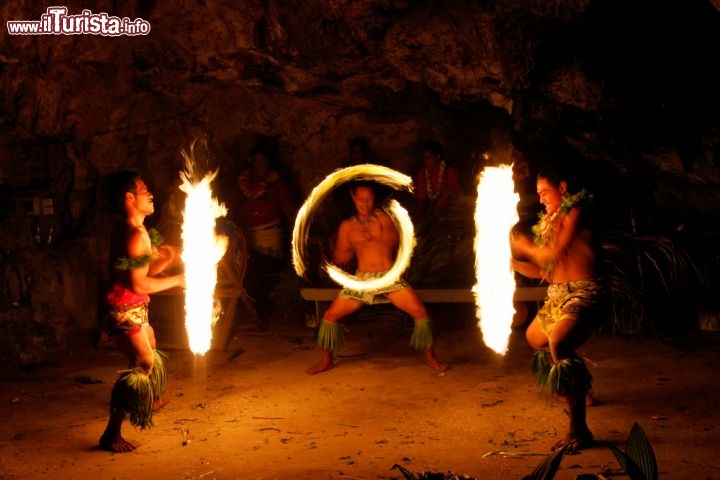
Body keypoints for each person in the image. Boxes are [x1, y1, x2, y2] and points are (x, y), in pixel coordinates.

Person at [509, 164, 606, 452]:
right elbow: (548, 270)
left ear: (562, 189)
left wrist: (524, 245)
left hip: (584, 293)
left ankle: (580, 430)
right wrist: (512, 262)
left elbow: (551, 252)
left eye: (544, 192)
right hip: (557, 293)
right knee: (534, 338)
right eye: (537, 194)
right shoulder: (549, 223)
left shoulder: (576, 212)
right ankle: (576, 388)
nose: (540, 199)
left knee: (558, 343)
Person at [306, 181, 448, 375]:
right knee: (330, 316)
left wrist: (376, 231)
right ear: (354, 199)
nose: (365, 203)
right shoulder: (347, 226)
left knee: (421, 313)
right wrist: (345, 241)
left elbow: (402, 239)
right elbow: (341, 258)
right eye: (361, 199)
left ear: (374, 200)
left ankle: (431, 358)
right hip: (362, 280)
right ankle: (326, 360)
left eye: (369, 199)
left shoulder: (385, 218)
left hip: (389, 278)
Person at [99, 171, 186, 453]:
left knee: (152, 340)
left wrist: (166, 260)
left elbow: (139, 272)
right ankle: (111, 434)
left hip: (134, 305)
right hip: (122, 310)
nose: (151, 194)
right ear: (129, 197)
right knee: (144, 363)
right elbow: (139, 282)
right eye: (144, 189)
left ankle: (151, 398)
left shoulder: (132, 227)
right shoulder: (135, 234)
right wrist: (178, 280)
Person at [229, 145, 296, 321]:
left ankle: (266, 310)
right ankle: (251, 309)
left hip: (269, 235)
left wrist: (297, 229)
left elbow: (288, 209)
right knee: (248, 272)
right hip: (246, 235)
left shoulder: (277, 184)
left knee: (268, 271)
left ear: (268, 163)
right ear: (252, 162)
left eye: (263, 161)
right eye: (256, 160)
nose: (260, 164)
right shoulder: (242, 183)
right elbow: (231, 209)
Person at [414, 140, 461, 216]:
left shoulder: (450, 173)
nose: (425, 161)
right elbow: (421, 198)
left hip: (450, 212)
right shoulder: (422, 173)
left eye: (428, 158)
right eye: (424, 158)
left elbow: (455, 196)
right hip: (430, 213)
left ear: (438, 157)